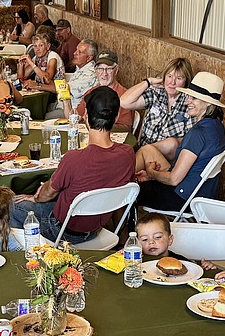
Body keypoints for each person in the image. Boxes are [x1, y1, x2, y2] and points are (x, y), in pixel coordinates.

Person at [9, 87, 135, 243]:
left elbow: (47, 194)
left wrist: (36, 196)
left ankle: (30, 254)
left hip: (62, 230)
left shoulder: (74, 158)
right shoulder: (128, 154)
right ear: (116, 118)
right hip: (96, 228)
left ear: (86, 116)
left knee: (9, 205)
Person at [135, 71, 225, 210]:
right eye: (189, 97)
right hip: (200, 194)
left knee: (130, 190)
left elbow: (174, 179)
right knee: (147, 150)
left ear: (209, 104)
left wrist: (151, 173)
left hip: (180, 198)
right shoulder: (217, 127)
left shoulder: (198, 133)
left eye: (194, 98)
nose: (187, 101)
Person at [121, 57, 194, 151]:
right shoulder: (157, 93)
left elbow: (188, 142)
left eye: (179, 78)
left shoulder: (189, 103)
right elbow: (124, 102)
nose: (172, 82)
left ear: (186, 81)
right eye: (169, 76)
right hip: (142, 150)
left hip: (164, 158)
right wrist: (148, 82)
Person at [76, 50, 134, 131]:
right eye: (100, 69)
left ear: (116, 70)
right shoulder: (91, 93)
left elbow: (126, 128)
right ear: (96, 71)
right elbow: (77, 115)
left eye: (108, 69)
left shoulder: (125, 96)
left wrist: (98, 125)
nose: (104, 74)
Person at [61, 39, 98, 115]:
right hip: (63, 105)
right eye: (76, 50)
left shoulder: (90, 74)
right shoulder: (81, 67)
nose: (74, 53)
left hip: (73, 112)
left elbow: (65, 88)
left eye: (79, 52)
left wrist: (39, 86)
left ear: (89, 58)